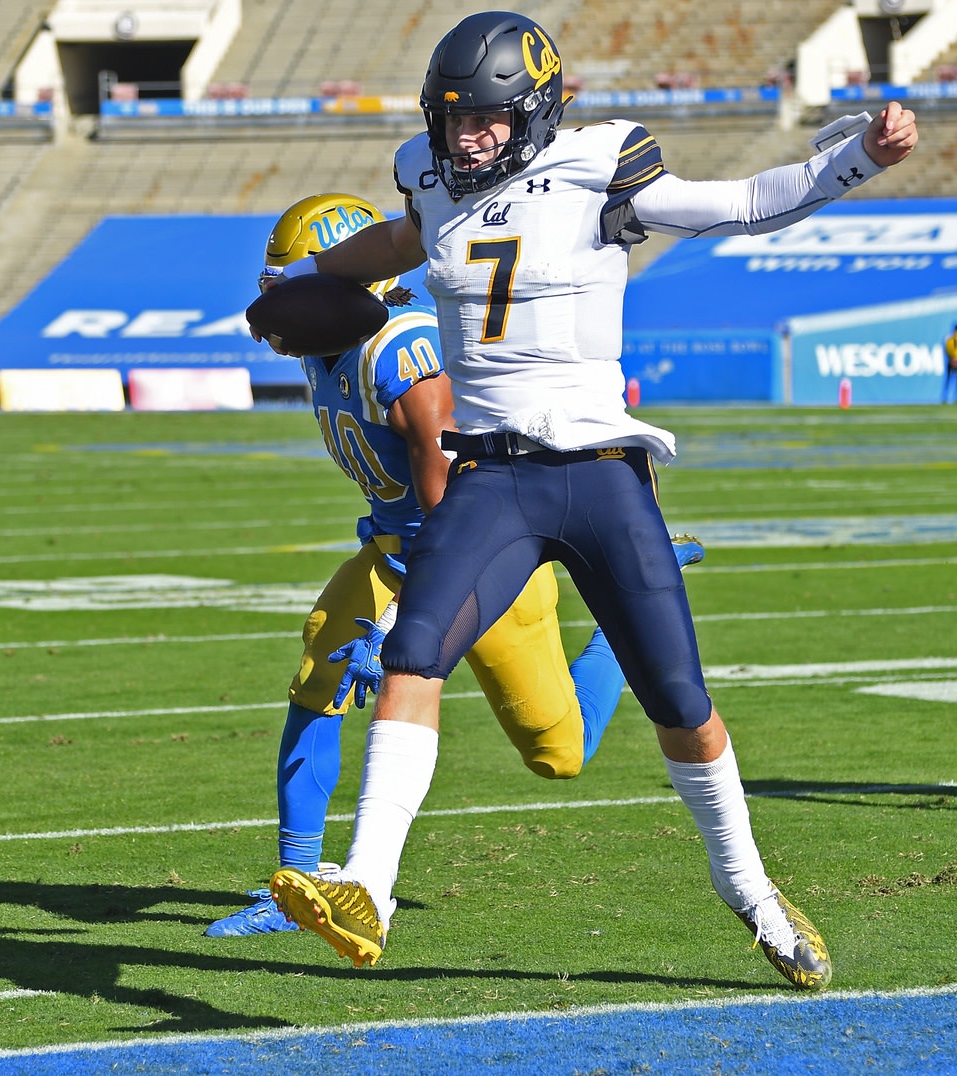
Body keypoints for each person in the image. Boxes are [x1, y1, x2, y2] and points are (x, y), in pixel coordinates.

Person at [265, 12, 917, 989]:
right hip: (491, 475)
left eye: (484, 121)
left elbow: (741, 200)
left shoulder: (599, 168)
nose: (465, 139)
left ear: (531, 113)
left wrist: (854, 158)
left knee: (681, 701)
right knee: (413, 651)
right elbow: (397, 241)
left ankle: (752, 892)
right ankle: (369, 888)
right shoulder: (433, 181)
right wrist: (308, 277)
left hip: (601, 469)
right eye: (451, 120)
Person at [206, 192, 704, 938]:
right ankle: (298, 883)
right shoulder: (334, 344)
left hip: (480, 558)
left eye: (300, 290)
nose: (284, 311)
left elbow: (456, 519)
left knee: (558, 753)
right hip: (392, 549)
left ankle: (614, 632)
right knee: (321, 668)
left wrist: (401, 623)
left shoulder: (403, 356)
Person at [943, 322, 957, 403]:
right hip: (953, 361)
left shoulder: (949, 339)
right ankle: (954, 398)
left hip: (951, 362)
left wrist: (951, 359)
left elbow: (947, 350)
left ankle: (945, 397)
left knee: (948, 380)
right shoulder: (950, 339)